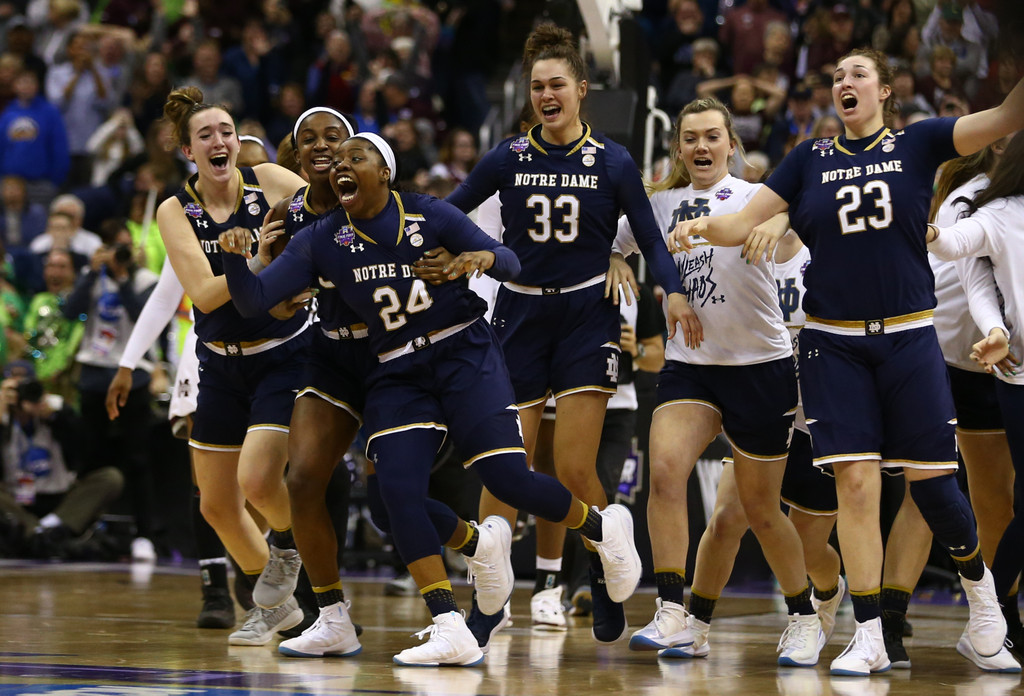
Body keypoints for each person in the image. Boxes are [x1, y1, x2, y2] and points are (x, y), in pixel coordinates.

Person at [218, 132, 643, 666]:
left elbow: (511, 261)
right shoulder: (320, 237)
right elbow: (257, 300)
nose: (342, 164)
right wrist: (238, 259)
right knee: (394, 495)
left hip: (464, 351)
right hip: (396, 367)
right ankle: (449, 623)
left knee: (508, 479)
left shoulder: (429, 214)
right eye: (338, 160)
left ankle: (603, 528)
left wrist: (476, 258)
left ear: (385, 172)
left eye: (356, 156)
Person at [669, 46, 1024, 677]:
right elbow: (746, 218)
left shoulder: (919, 144)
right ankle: (868, 633)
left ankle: (983, 601)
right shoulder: (809, 158)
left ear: (886, 90)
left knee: (935, 485)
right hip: (833, 343)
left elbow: (1000, 118)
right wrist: (700, 229)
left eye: (858, 73)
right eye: (836, 76)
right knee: (855, 485)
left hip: (910, 338)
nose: (844, 82)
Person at [444, 22, 693, 647]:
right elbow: (451, 209)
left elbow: (648, 235)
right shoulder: (507, 155)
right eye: (537, 87)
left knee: (575, 466)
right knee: (506, 465)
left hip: (586, 317)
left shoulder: (614, 160)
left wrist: (672, 289)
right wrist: (419, 236)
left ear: (582, 89)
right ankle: (487, 603)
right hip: (521, 316)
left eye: (558, 84)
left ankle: (606, 576)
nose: (547, 95)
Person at [611, 97, 823, 667]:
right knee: (663, 473)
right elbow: (615, 235)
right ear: (677, 147)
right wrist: (616, 258)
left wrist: (778, 219)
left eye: (711, 137)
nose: (701, 147)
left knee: (759, 510)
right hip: (690, 366)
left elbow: (800, 228)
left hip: (761, 367)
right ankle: (674, 612)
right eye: (690, 138)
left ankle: (804, 616)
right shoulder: (659, 204)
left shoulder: (758, 196)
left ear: (732, 143)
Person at [155, 85, 310, 648]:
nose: (220, 141)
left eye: (227, 131)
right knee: (218, 504)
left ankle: (291, 552)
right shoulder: (175, 210)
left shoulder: (271, 181)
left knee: (257, 479)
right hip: (219, 363)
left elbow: (326, 212)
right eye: (206, 135)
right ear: (188, 151)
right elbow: (201, 290)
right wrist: (260, 262)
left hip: (281, 356)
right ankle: (281, 609)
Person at [926, 128, 1024, 666]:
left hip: (997, 356)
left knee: (1002, 501)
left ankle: (1001, 619)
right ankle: (996, 620)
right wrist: (1000, 330)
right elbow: (970, 277)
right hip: (964, 359)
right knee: (986, 498)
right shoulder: (975, 199)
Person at [62, 221, 159, 561]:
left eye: (124, 250)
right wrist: (91, 273)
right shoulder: (93, 278)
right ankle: (86, 526)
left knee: (137, 459)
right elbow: (70, 312)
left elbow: (143, 317)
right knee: (92, 455)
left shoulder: (147, 282)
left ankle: (144, 534)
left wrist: (122, 278)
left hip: (136, 375)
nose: (119, 256)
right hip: (93, 374)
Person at [0, 360, 123, 559]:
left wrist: (56, 418)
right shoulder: (1, 413)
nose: (22, 394)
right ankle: (42, 534)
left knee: (111, 477)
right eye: (14, 388)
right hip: (17, 502)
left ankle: (44, 530)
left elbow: (86, 451)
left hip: (60, 497)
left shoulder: (55, 408)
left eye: (27, 386)